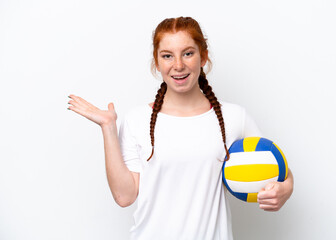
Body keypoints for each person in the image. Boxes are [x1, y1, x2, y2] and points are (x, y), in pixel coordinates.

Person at [68, 16, 294, 240]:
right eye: (167, 56)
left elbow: (276, 169)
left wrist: (285, 190)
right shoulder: (137, 120)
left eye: (188, 53)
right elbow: (124, 196)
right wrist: (108, 128)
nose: (178, 65)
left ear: (203, 56)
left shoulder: (234, 117)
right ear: (157, 63)